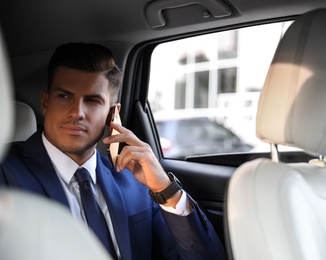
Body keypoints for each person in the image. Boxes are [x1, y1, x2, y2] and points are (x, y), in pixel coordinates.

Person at [0, 42, 226, 260]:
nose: (77, 112)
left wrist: (166, 189)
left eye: (92, 100)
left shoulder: (135, 182)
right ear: (45, 102)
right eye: (65, 96)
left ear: (112, 114)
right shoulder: (6, 172)